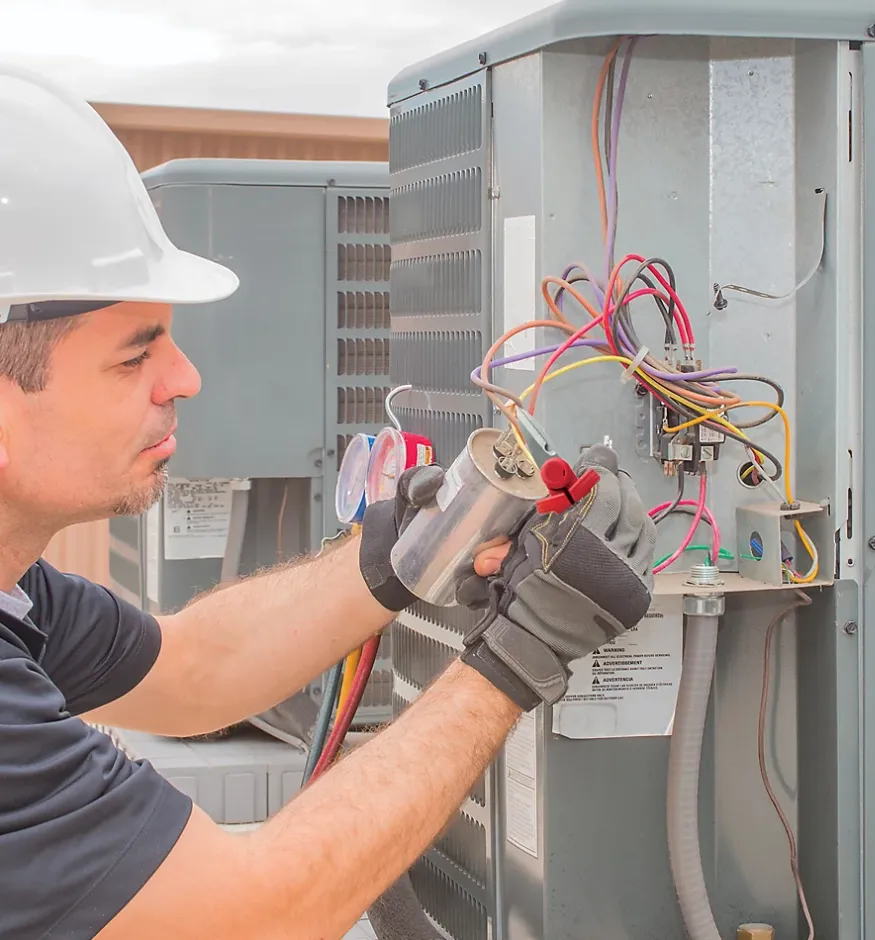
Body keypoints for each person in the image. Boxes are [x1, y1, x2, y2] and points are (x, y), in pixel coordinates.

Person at [0, 63, 657, 940]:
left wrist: (399, 553)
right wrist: (519, 656)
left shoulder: (17, 592)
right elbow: (245, 916)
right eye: (134, 355)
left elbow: (190, 670)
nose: (184, 378)